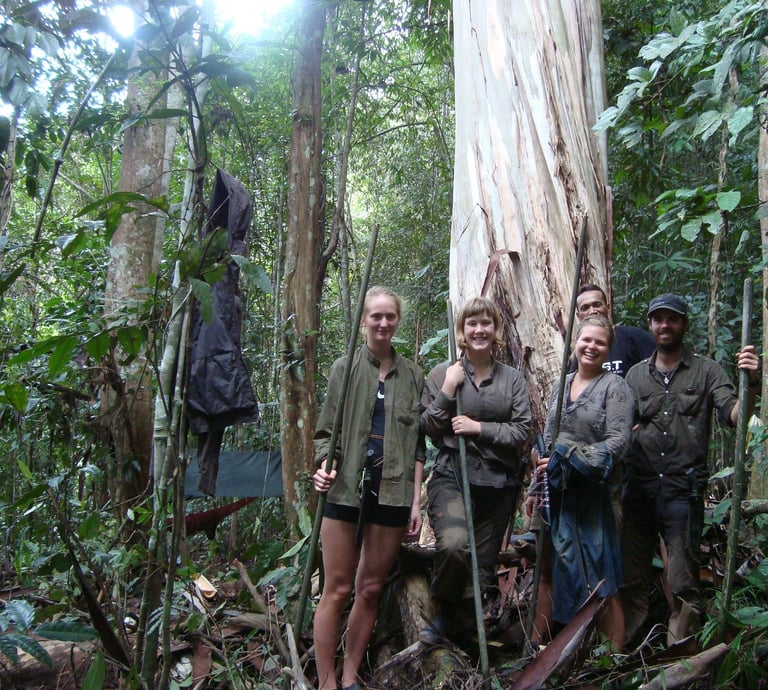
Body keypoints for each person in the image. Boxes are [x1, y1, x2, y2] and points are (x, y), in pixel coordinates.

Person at [620, 293, 760, 647]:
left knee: (682, 578)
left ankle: (680, 656)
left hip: (683, 488)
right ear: (650, 325)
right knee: (632, 576)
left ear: (684, 324)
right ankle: (629, 654)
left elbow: (734, 415)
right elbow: (616, 427)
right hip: (638, 487)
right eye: (658, 319)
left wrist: (753, 383)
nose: (665, 325)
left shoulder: (707, 370)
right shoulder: (635, 376)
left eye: (672, 319)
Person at [312, 286, 425, 690]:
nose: (382, 323)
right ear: (363, 321)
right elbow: (325, 433)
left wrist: (416, 501)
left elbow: (417, 445)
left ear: (397, 321)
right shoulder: (345, 368)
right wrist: (324, 466)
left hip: (392, 491)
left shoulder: (412, 374)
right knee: (337, 587)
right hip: (344, 490)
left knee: (371, 587)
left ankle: (350, 675)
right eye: (375, 316)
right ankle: (326, 680)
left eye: (389, 316)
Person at [419, 296, 532, 644]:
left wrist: (478, 428)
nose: (479, 329)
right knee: (454, 547)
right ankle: (444, 614)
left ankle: (466, 638)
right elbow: (427, 427)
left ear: (496, 330)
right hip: (453, 475)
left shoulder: (512, 380)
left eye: (486, 323)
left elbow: (523, 431)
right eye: (472, 323)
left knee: (481, 569)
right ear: (462, 331)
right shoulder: (442, 373)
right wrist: (449, 388)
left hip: (498, 484)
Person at [526, 315, 634, 651]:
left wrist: (573, 456)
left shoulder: (615, 387)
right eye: (586, 340)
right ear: (575, 342)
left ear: (608, 348)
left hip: (595, 495)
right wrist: (535, 484)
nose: (592, 347)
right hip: (555, 493)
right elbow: (547, 437)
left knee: (602, 577)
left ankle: (611, 658)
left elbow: (618, 442)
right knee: (547, 566)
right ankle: (536, 648)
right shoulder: (563, 382)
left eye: (600, 342)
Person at [575, 284, 655, 377]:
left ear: (608, 307)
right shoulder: (580, 349)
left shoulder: (633, 336)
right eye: (585, 308)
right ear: (578, 315)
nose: (592, 311)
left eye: (597, 305)